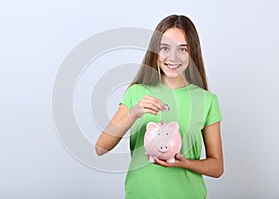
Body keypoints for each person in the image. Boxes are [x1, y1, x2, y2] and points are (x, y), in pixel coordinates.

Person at [95, 14, 223, 199]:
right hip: (141, 194)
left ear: (192, 52)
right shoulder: (137, 93)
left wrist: (183, 163)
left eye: (182, 49)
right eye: (165, 48)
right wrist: (134, 113)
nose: (172, 57)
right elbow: (100, 148)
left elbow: (217, 167)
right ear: (155, 51)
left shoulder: (207, 100)